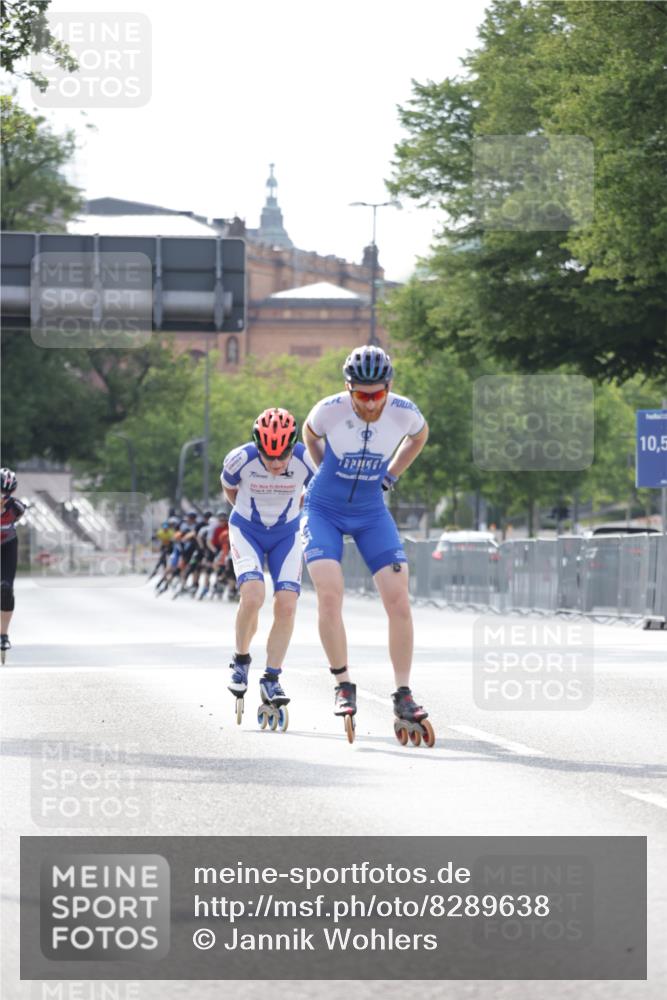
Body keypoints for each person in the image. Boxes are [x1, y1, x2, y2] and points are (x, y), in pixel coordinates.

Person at [301, 345, 432, 740]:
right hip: (323, 509)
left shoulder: (404, 411)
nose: (371, 404)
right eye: (362, 395)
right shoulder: (329, 409)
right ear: (348, 388)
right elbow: (310, 434)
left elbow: (420, 436)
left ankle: (403, 693)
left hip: (372, 511)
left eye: (378, 394)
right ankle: (342, 682)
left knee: (399, 599)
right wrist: (324, 468)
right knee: (330, 594)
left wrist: (392, 474)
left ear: (389, 387)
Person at [221, 408, 315, 708]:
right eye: (268, 456)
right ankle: (240, 659)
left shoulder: (308, 459)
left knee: (286, 605)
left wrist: (296, 511)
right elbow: (229, 489)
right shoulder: (239, 459)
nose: (275, 463)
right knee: (252, 596)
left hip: (286, 534)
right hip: (247, 529)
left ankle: (272, 678)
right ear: (257, 447)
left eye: (282, 456)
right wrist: (249, 513)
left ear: (293, 446)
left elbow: (316, 493)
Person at [1, 468, 27, 658]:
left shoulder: (16, 506)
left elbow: (19, 514)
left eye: (6, 492)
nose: (3, 496)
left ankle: (3, 634)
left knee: (6, 588)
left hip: (7, 546)